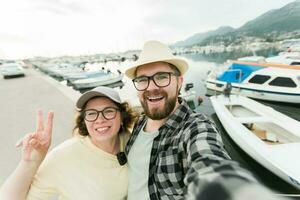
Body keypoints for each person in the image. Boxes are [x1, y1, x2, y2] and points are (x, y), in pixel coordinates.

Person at [124, 40, 287, 200]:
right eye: (142, 80)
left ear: (179, 82)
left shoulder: (195, 127)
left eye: (161, 77)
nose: (151, 87)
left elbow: (209, 165)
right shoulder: (139, 122)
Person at [0, 86, 138, 200]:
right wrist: (29, 162)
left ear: (122, 117)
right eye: (91, 113)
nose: (100, 119)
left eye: (108, 111)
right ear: (84, 121)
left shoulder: (130, 141)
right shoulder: (64, 156)